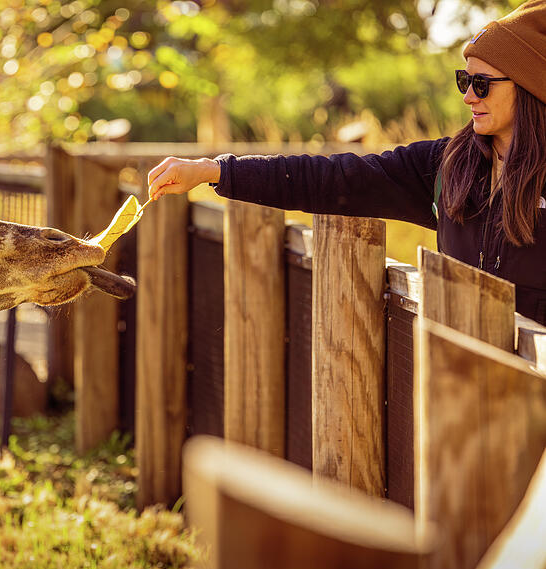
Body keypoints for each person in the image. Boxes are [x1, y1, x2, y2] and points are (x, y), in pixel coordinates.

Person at [147, 0, 546, 325]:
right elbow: (335, 179)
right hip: (458, 391)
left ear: (530, 86)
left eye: (482, 84)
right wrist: (215, 170)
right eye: (464, 81)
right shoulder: (447, 166)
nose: (468, 97)